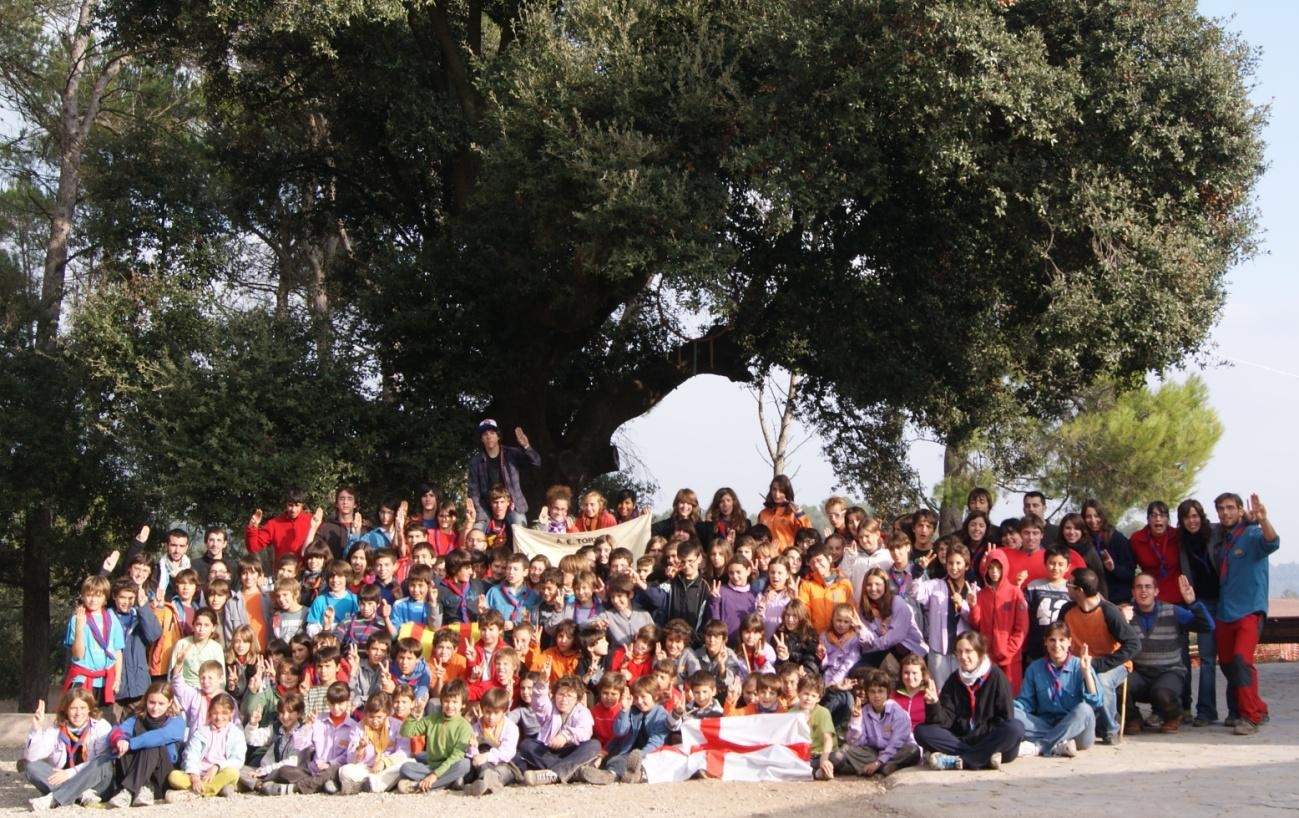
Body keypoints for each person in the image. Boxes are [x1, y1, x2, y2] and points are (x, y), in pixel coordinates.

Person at [1211, 492, 1279, 736]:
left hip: (1249, 610)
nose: (1225, 512)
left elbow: (1272, 542)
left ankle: (1250, 718)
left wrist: (1262, 520)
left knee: (1241, 660)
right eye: (1221, 508)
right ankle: (1259, 707)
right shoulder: (1224, 538)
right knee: (1229, 666)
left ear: (1241, 510)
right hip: (1225, 612)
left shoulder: (1251, 534)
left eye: (1230, 508)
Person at [914, 631, 1024, 770]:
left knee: (1015, 728)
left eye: (968, 651)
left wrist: (977, 735)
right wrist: (933, 704)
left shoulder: (997, 677)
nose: (963, 657)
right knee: (921, 731)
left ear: (980, 653)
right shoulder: (954, 680)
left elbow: (1004, 718)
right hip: (962, 740)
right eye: (959, 652)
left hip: (990, 739)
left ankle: (960, 761)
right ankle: (982, 758)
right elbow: (945, 721)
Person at [1122, 574, 1213, 734]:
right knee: (1118, 684)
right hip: (1139, 673)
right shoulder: (1126, 614)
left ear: (1156, 591)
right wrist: (1119, 616)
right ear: (1133, 592)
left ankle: (1173, 716)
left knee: (1163, 693)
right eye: (1139, 587)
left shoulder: (1173, 611)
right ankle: (1133, 719)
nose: (1143, 591)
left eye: (1148, 587)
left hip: (1169, 672)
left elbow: (1207, 626)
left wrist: (1193, 603)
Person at [1059, 568, 1141, 743]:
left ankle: (1110, 729)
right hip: (1078, 662)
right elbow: (1058, 636)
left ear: (1079, 591)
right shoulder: (1067, 610)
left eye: (1069, 585)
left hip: (1113, 664)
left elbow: (1133, 644)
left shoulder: (1109, 612)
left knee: (1101, 681)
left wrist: (1099, 664)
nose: (1066, 588)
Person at [1014, 622, 1101, 758]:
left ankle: (1040, 746)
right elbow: (1025, 703)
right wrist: (1010, 709)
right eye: (1052, 640)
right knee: (1011, 713)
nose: (1056, 645)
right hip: (1045, 726)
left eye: (1062, 640)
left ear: (1069, 642)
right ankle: (1058, 745)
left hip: (1077, 733)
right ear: (1045, 643)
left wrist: (1086, 673)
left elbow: (1096, 703)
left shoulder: (1080, 665)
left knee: (1085, 709)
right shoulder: (1035, 668)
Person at [23, 690, 114, 811]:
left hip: (97, 787)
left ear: (90, 709)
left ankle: (54, 799)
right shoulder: (55, 730)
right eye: (73, 708)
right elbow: (32, 757)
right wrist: (36, 729)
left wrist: (68, 773)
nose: (78, 713)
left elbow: (101, 760)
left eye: (82, 708)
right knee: (31, 767)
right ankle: (79, 795)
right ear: (65, 709)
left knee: (103, 762)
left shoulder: (101, 726)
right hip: (66, 781)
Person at [516, 674, 615, 785]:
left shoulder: (583, 712)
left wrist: (565, 736)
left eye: (569, 696)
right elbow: (538, 704)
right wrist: (542, 682)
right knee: (526, 745)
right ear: (554, 695)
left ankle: (553, 774)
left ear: (577, 699)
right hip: (548, 751)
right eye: (561, 694)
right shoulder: (549, 707)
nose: (564, 699)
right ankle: (577, 773)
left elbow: (585, 731)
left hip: (572, 751)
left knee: (594, 745)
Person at [1177, 498, 1223, 726]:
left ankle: (1238, 710)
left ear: (1201, 516)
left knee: (1230, 659)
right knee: (1206, 658)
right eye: (1187, 517)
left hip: (1224, 599)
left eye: (1195, 515)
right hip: (1201, 602)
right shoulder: (1182, 541)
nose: (1191, 521)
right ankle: (1205, 711)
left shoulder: (1215, 532)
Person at [105, 681, 186, 808]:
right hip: (136, 771)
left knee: (152, 744)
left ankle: (129, 790)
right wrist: (120, 740)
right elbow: (117, 730)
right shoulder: (137, 717)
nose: (155, 708)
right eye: (152, 702)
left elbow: (160, 736)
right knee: (124, 745)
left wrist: (130, 743)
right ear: (146, 700)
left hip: (162, 775)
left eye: (161, 703)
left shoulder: (177, 721)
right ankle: (140, 788)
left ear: (170, 703)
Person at [831, 669, 920, 777]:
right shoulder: (864, 711)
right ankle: (882, 769)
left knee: (913, 750)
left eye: (880, 691)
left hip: (895, 752)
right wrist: (856, 720)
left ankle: (880, 767)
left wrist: (879, 762)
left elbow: (896, 743)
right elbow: (856, 743)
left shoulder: (898, 713)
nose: (876, 696)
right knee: (841, 753)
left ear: (887, 693)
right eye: (872, 691)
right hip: (874, 752)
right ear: (867, 693)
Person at [164, 692, 245, 802]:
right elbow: (191, 754)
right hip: (199, 773)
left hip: (219, 773)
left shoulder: (236, 733)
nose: (219, 717)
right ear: (210, 712)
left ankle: (195, 793)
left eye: (224, 713)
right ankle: (214, 789)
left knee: (233, 773)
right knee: (174, 776)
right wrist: (194, 776)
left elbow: (238, 760)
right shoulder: (202, 731)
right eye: (215, 713)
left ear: (232, 713)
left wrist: (217, 766)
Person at [969, 549, 1029, 693]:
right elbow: (977, 625)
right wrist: (973, 606)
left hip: (1010, 659)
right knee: (989, 696)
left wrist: (1009, 649)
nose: (994, 571)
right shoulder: (981, 595)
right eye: (991, 567)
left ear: (1005, 568)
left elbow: (1022, 627)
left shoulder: (1015, 592)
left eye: (998, 567)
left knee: (1010, 698)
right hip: (988, 657)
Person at [63, 576, 124, 708]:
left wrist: (117, 679)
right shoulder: (76, 619)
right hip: (83, 679)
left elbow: (117, 651)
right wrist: (79, 628)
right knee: (78, 717)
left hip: (104, 680)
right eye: (89, 595)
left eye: (98, 596)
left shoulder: (112, 619)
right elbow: (78, 654)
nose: (93, 600)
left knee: (101, 722)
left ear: (105, 598)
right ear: (83, 596)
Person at [467, 419, 539, 526]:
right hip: (486, 507)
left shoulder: (511, 453)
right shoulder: (475, 462)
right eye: (485, 434)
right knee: (477, 530)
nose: (489, 436)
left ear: (498, 436)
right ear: (481, 439)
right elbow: (474, 491)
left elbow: (535, 462)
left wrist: (526, 446)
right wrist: (479, 513)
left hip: (513, 504)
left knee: (519, 527)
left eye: (492, 433)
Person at [1129, 501, 1184, 606]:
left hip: (1177, 597)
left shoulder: (1178, 536)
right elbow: (1129, 568)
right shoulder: (1137, 539)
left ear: (1167, 519)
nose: (1158, 519)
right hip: (1150, 599)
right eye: (1154, 516)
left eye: (1162, 515)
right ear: (1148, 519)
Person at [1081, 500, 1135, 604]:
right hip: (1092, 599)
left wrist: (1113, 568)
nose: (1093, 520)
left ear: (1103, 516)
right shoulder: (1083, 541)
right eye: (1088, 516)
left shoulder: (1117, 539)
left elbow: (1130, 573)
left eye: (1097, 516)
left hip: (1118, 599)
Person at [245, 488, 313, 563]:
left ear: (303, 505)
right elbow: (253, 547)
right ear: (285, 504)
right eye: (290, 505)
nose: (293, 509)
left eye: (297, 506)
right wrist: (252, 527)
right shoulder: (274, 524)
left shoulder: (312, 522)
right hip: (282, 571)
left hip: (306, 572)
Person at [757, 475, 813, 552]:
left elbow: (809, 533)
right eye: (774, 489)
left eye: (781, 491)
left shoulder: (792, 513)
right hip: (767, 557)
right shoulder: (763, 514)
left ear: (787, 493)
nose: (777, 494)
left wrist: (800, 514)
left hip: (788, 556)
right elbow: (757, 537)